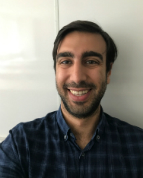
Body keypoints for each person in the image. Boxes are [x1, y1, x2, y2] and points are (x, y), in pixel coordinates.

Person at [0, 20, 143, 178]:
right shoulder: (20, 143)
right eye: (66, 62)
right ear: (56, 70)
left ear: (108, 72)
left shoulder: (138, 145)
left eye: (91, 62)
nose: (77, 77)